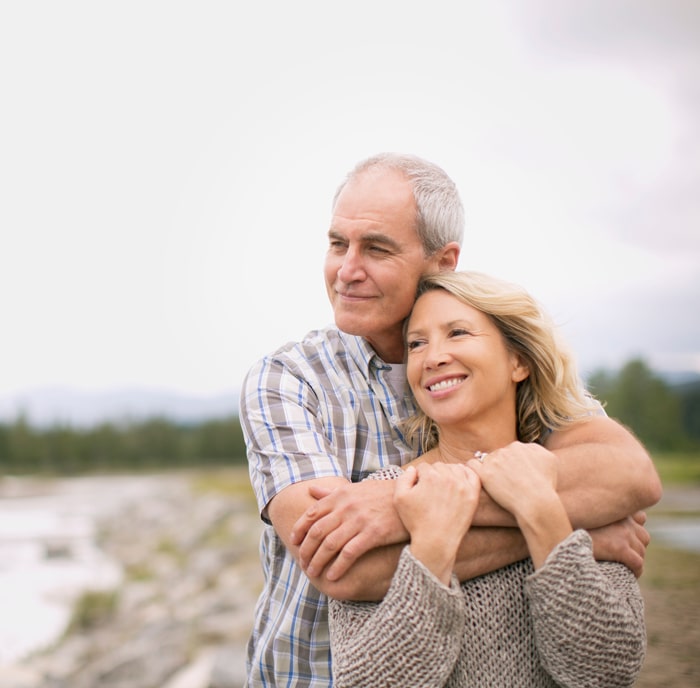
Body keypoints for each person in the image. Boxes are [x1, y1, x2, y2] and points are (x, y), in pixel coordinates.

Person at [240, 152, 661, 687]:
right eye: (337, 243)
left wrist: (406, 513)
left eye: (376, 248)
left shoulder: (500, 366)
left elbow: (629, 475)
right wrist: (567, 532)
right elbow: (346, 566)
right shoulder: (288, 379)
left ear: (443, 260)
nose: (346, 270)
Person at [328, 270, 646, 687]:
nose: (432, 357)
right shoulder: (383, 498)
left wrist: (543, 514)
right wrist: (433, 547)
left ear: (519, 361)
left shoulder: (574, 487)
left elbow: (607, 672)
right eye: (417, 344)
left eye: (457, 333)